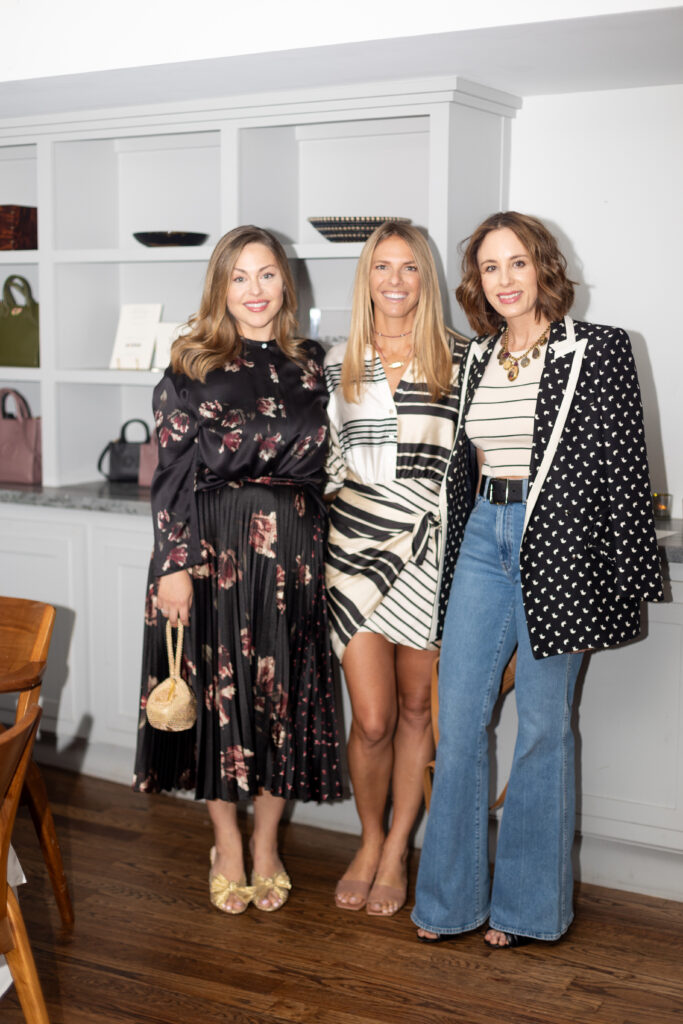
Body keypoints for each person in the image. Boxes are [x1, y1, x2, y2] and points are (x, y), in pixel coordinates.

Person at [412, 211, 663, 947]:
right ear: (477, 282)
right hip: (482, 543)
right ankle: (450, 901)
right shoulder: (476, 359)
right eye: (490, 267)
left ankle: (526, 909)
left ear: (542, 266)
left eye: (516, 262)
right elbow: (460, 470)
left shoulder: (597, 350)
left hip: (558, 547)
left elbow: (625, 466)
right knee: (458, 725)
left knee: (544, 729)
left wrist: (626, 576)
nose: (505, 279)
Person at [133, 225, 343, 915]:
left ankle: (266, 843)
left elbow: (332, 466)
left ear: (286, 283)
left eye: (267, 276)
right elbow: (170, 476)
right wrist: (172, 566)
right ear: (220, 288)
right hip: (212, 557)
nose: (254, 291)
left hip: (294, 560)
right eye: (239, 278)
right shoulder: (190, 364)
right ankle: (225, 837)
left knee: (281, 701)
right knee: (221, 700)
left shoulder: (314, 364)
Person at [324, 221, 469, 917]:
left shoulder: (460, 360)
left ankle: (395, 846)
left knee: (417, 709)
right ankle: (368, 835)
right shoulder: (334, 363)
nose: (394, 281)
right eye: (381, 267)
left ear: (425, 279)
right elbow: (321, 466)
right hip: (352, 556)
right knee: (374, 718)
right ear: (366, 279)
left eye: (408, 268)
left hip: (431, 555)